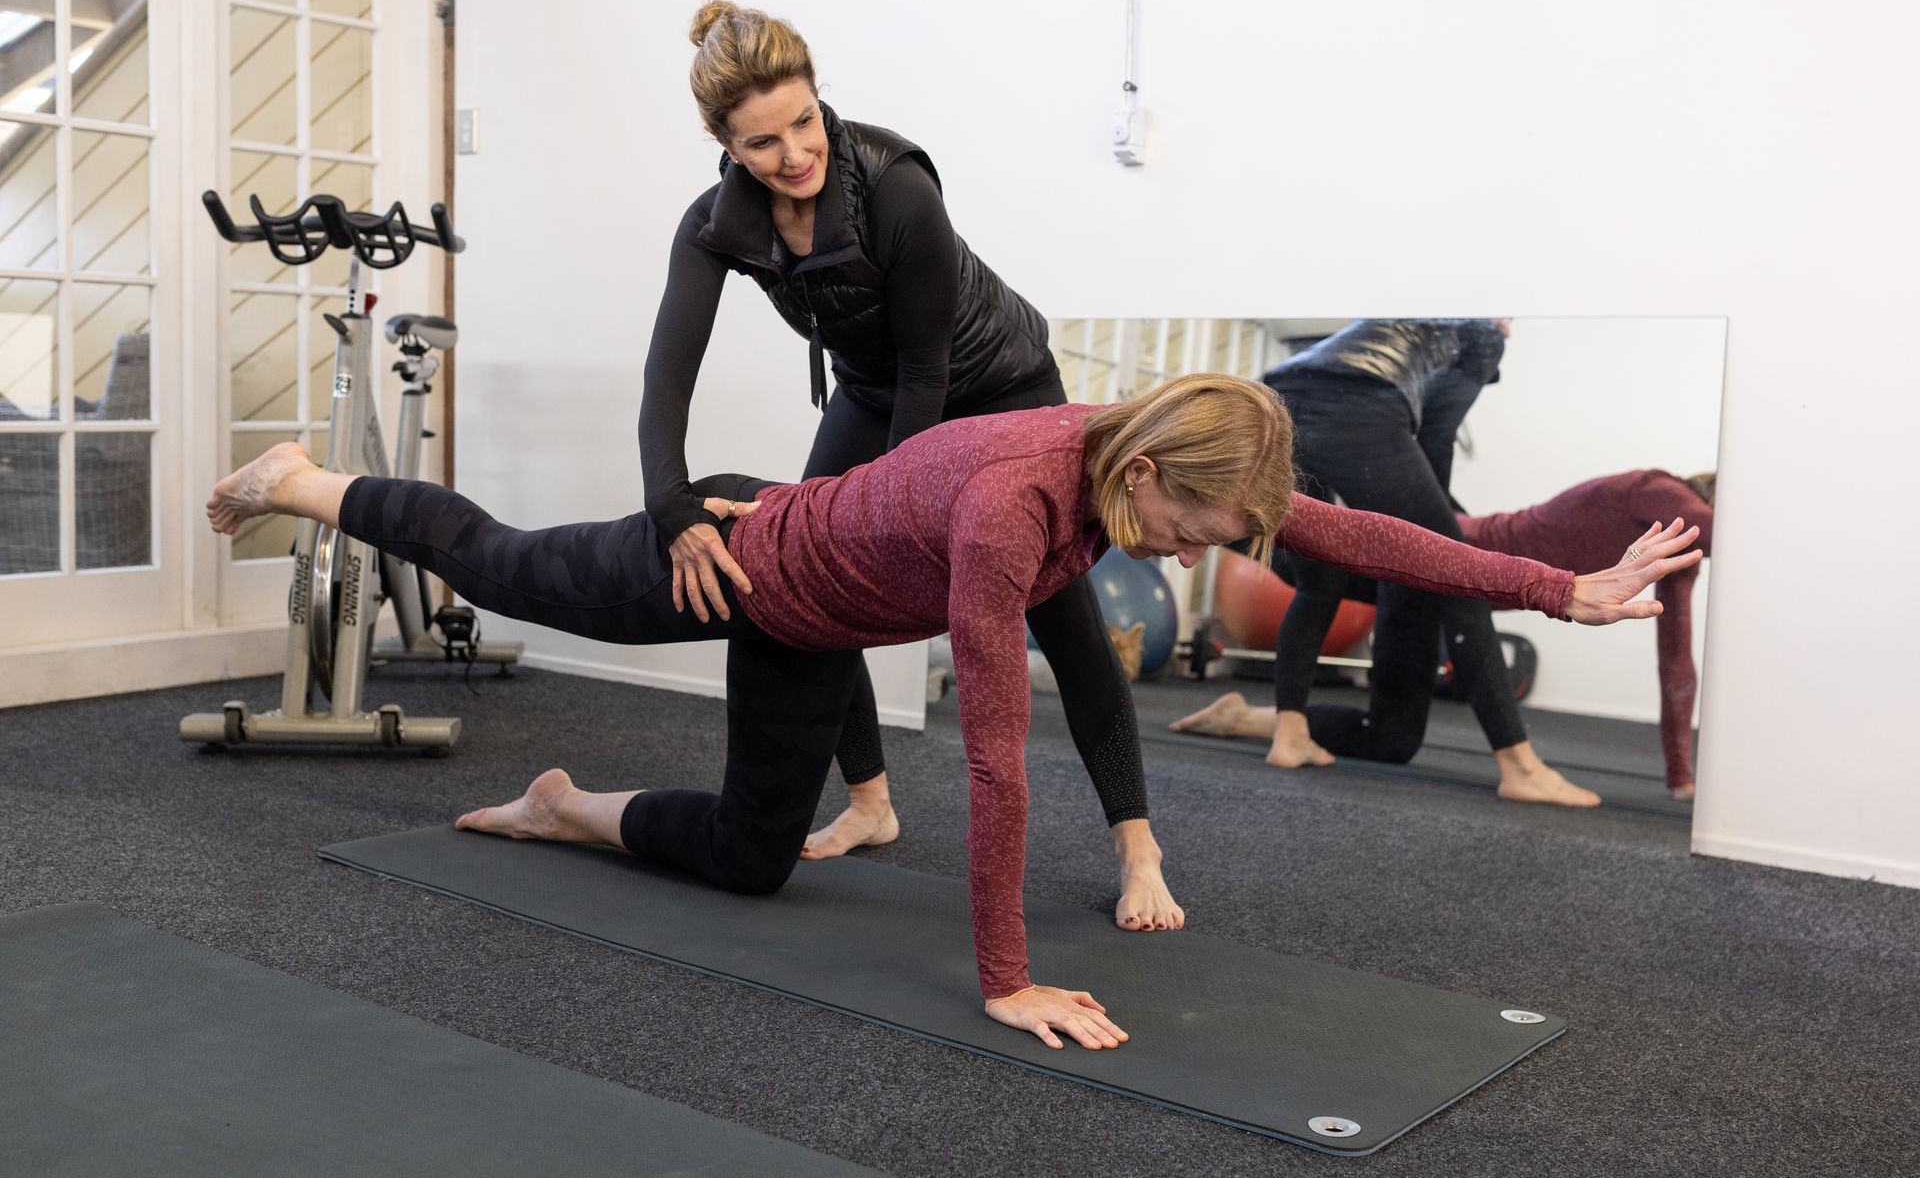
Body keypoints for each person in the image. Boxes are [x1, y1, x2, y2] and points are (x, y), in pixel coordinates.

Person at [204, 375, 1699, 1050]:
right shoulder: (1009, 518)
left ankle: (561, 805)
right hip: (742, 570)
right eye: (1195, 530)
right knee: (515, 570)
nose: (1204, 554)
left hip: (826, 604)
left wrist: (1561, 592)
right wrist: (1003, 978)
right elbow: (994, 762)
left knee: (747, 858)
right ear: (1143, 477)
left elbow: (1363, 540)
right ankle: (305, 481)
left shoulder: (1171, 460)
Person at [644, 0, 1173, 930]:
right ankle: (871, 802)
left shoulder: (896, 182)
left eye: (805, 122)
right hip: (877, 391)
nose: (795, 154)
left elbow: (932, 367)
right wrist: (670, 506)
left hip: (1001, 388)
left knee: (1060, 612)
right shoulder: (713, 224)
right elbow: (667, 374)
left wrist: (889, 519)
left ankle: (1138, 845)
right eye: (762, 143)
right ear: (724, 145)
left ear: (821, 101)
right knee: (807, 577)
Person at [1176, 470, 1716, 800]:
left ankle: (1245, 718)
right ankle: (1186, 510)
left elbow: (1677, 666)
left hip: (1461, 591)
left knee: (1391, 738)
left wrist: (1680, 778)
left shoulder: (1677, 556)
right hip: (1444, 560)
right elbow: (1725, 526)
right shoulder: (1661, 493)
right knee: (1315, 559)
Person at [1257, 318, 1606, 806]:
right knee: (1462, 576)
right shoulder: (1484, 332)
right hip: (1358, 402)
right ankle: (1520, 765)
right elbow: (1439, 434)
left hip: (1276, 398)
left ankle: (1289, 733)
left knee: (1320, 579)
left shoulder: (1407, 314)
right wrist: (1443, 531)